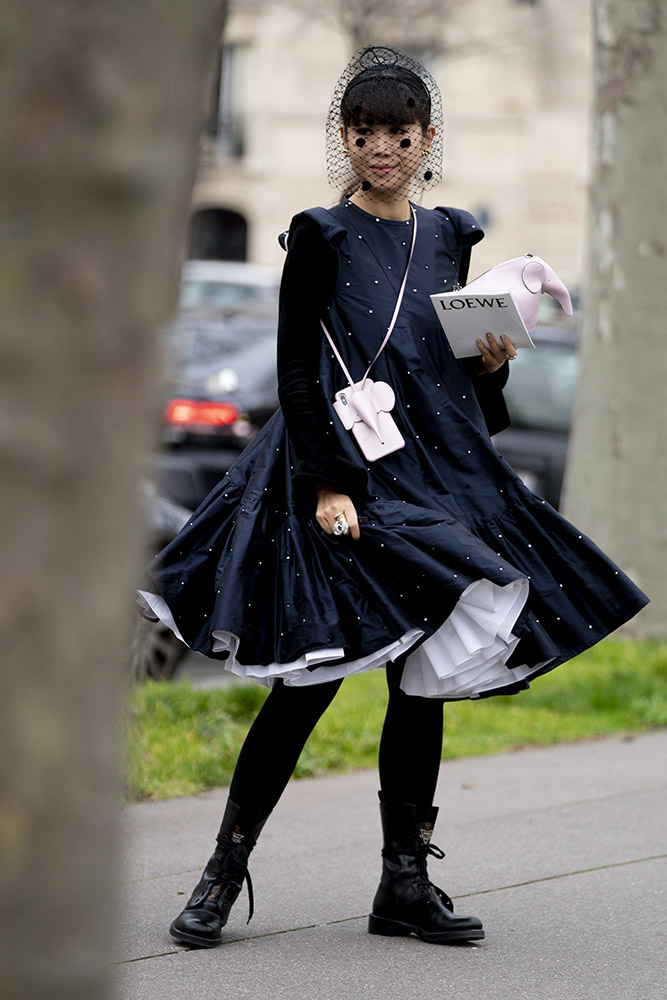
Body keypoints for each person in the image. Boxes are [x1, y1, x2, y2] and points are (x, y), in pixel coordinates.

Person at [139, 45, 648, 949]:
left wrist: (491, 367)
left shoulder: (451, 235)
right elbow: (297, 372)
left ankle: (403, 884)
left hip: (434, 480)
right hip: (337, 477)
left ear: (427, 139)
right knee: (305, 687)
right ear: (344, 137)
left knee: (420, 687)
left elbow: (466, 402)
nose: (381, 148)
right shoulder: (318, 236)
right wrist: (328, 485)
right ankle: (222, 873)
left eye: (399, 134)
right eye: (364, 132)